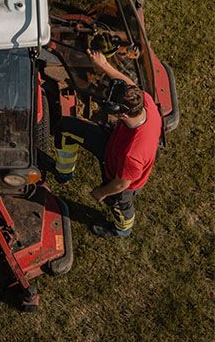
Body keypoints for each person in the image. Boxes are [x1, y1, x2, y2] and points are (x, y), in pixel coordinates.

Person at [54, 49, 162, 238]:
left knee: (120, 205)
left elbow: (121, 184)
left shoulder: (132, 154)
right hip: (112, 143)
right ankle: (64, 173)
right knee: (66, 128)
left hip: (119, 178)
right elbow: (130, 84)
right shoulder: (145, 102)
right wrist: (103, 65)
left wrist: (101, 192)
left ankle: (122, 229)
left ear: (123, 114)